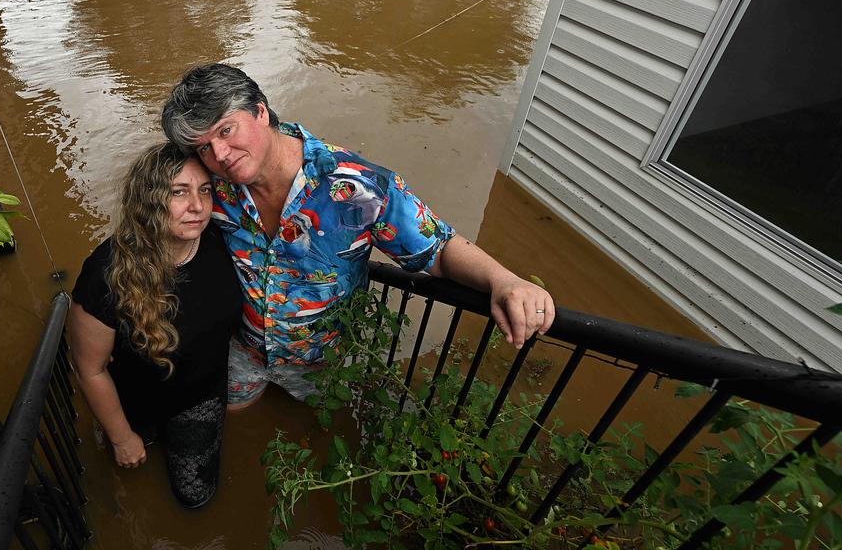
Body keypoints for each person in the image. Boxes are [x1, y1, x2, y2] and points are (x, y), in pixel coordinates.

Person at [160, 64, 556, 410]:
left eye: (226, 130)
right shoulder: (208, 187)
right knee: (237, 421)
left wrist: (504, 281)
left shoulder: (358, 185)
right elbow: (156, 215)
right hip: (241, 350)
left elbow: (437, 249)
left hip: (322, 361)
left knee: (322, 427)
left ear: (260, 112)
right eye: (205, 147)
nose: (221, 154)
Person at [68, 143, 243, 508]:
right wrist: (119, 436)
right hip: (134, 399)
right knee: (132, 452)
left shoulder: (222, 241)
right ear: (147, 201)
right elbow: (90, 368)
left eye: (205, 191)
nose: (198, 206)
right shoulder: (105, 275)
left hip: (201, 397)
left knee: (194, 495)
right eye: (179, 192)